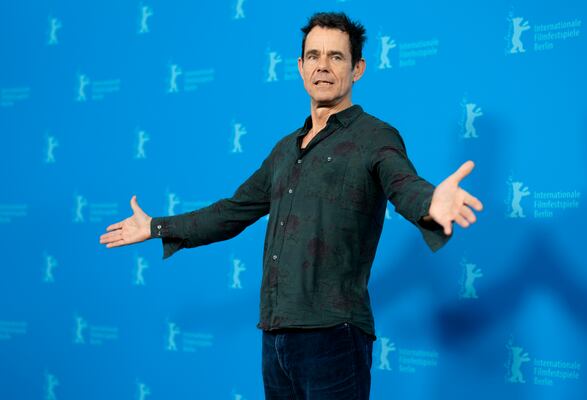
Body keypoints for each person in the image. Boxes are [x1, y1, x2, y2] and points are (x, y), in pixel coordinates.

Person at [99, 11, 483, 400]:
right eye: (314, 56)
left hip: (334, 336)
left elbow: (403, 183)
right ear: (300, 67)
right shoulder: (285, 150)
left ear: (358, 69)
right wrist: (156, 227)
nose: (323, 66)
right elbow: (232, 211)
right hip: (275, 336)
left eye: (336, 57)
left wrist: (431, 201)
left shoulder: (376, 137)